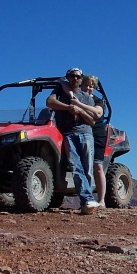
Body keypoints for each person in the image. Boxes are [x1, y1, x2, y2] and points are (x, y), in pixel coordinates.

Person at [46, 68, 103, 215]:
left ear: (81, 79)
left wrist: (79, 110)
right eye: (72, 76)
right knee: (75, 167)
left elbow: (92, 120)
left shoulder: (87, 97)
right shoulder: (60, 92)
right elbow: (50, 102)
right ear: (68, 77)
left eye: (78, 76)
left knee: (87, 169)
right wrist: (68, 107)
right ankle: (88, 201)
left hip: (86, 134)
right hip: (68, 134)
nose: (75, 78)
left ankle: (87, 202)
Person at [81, 74, 107, 208]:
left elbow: (98, 113)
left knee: (97, 167)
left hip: (97, 133)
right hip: (82, 132)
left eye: (91, 86)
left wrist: (80, 105)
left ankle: (101, 200)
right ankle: (87, 199)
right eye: (86, 85)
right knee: (83, 167)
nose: (88, 88)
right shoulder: (76, 96)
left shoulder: (97, 100)